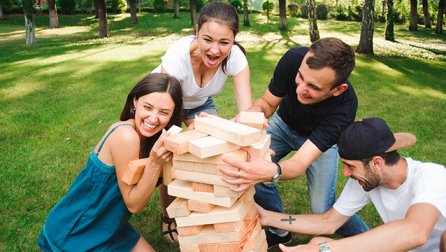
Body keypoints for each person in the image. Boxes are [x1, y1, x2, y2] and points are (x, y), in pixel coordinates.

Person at [220, 37, 369, 247]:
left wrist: (271, 170)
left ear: (338, 89)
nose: (299, 90)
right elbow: (268, 103)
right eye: (300, 77)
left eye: (313, 87)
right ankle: (280, 231)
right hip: (283, 123)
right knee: (250, 166)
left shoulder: (343, 111)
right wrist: (252, 113)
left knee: (322, 210)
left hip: (317, 140)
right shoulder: (293, 58)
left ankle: (377, 240)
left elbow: (299, 163)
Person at [37, 73, 183, 252]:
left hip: (110, 225)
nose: (153, 119)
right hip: (77, 229)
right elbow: (134, 205)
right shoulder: (126, 136)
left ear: (172, 115)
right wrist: (153, 163)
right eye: (148, 107)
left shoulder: (152, 139)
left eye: (163, 112)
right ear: (135, 101)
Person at [255, 117, 446, 252]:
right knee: (317, 241)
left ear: (377, 163)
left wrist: (327, 249)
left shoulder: (432, 176)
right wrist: (268, 218)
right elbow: (328, 222)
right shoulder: (365, 181)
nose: (346, 174)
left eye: (350, 166)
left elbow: (416, 231)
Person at [152, 1, 252, 127]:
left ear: (234, 37)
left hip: (199, 104)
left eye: (224, 42)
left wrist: (241, 127)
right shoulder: (178, 54)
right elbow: (163, 107)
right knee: (167, 143)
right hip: (162, 103)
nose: (214, 50)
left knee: (215, 139)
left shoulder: (235, 57)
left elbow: (247, 114)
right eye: (208, 40)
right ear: (198, 30)